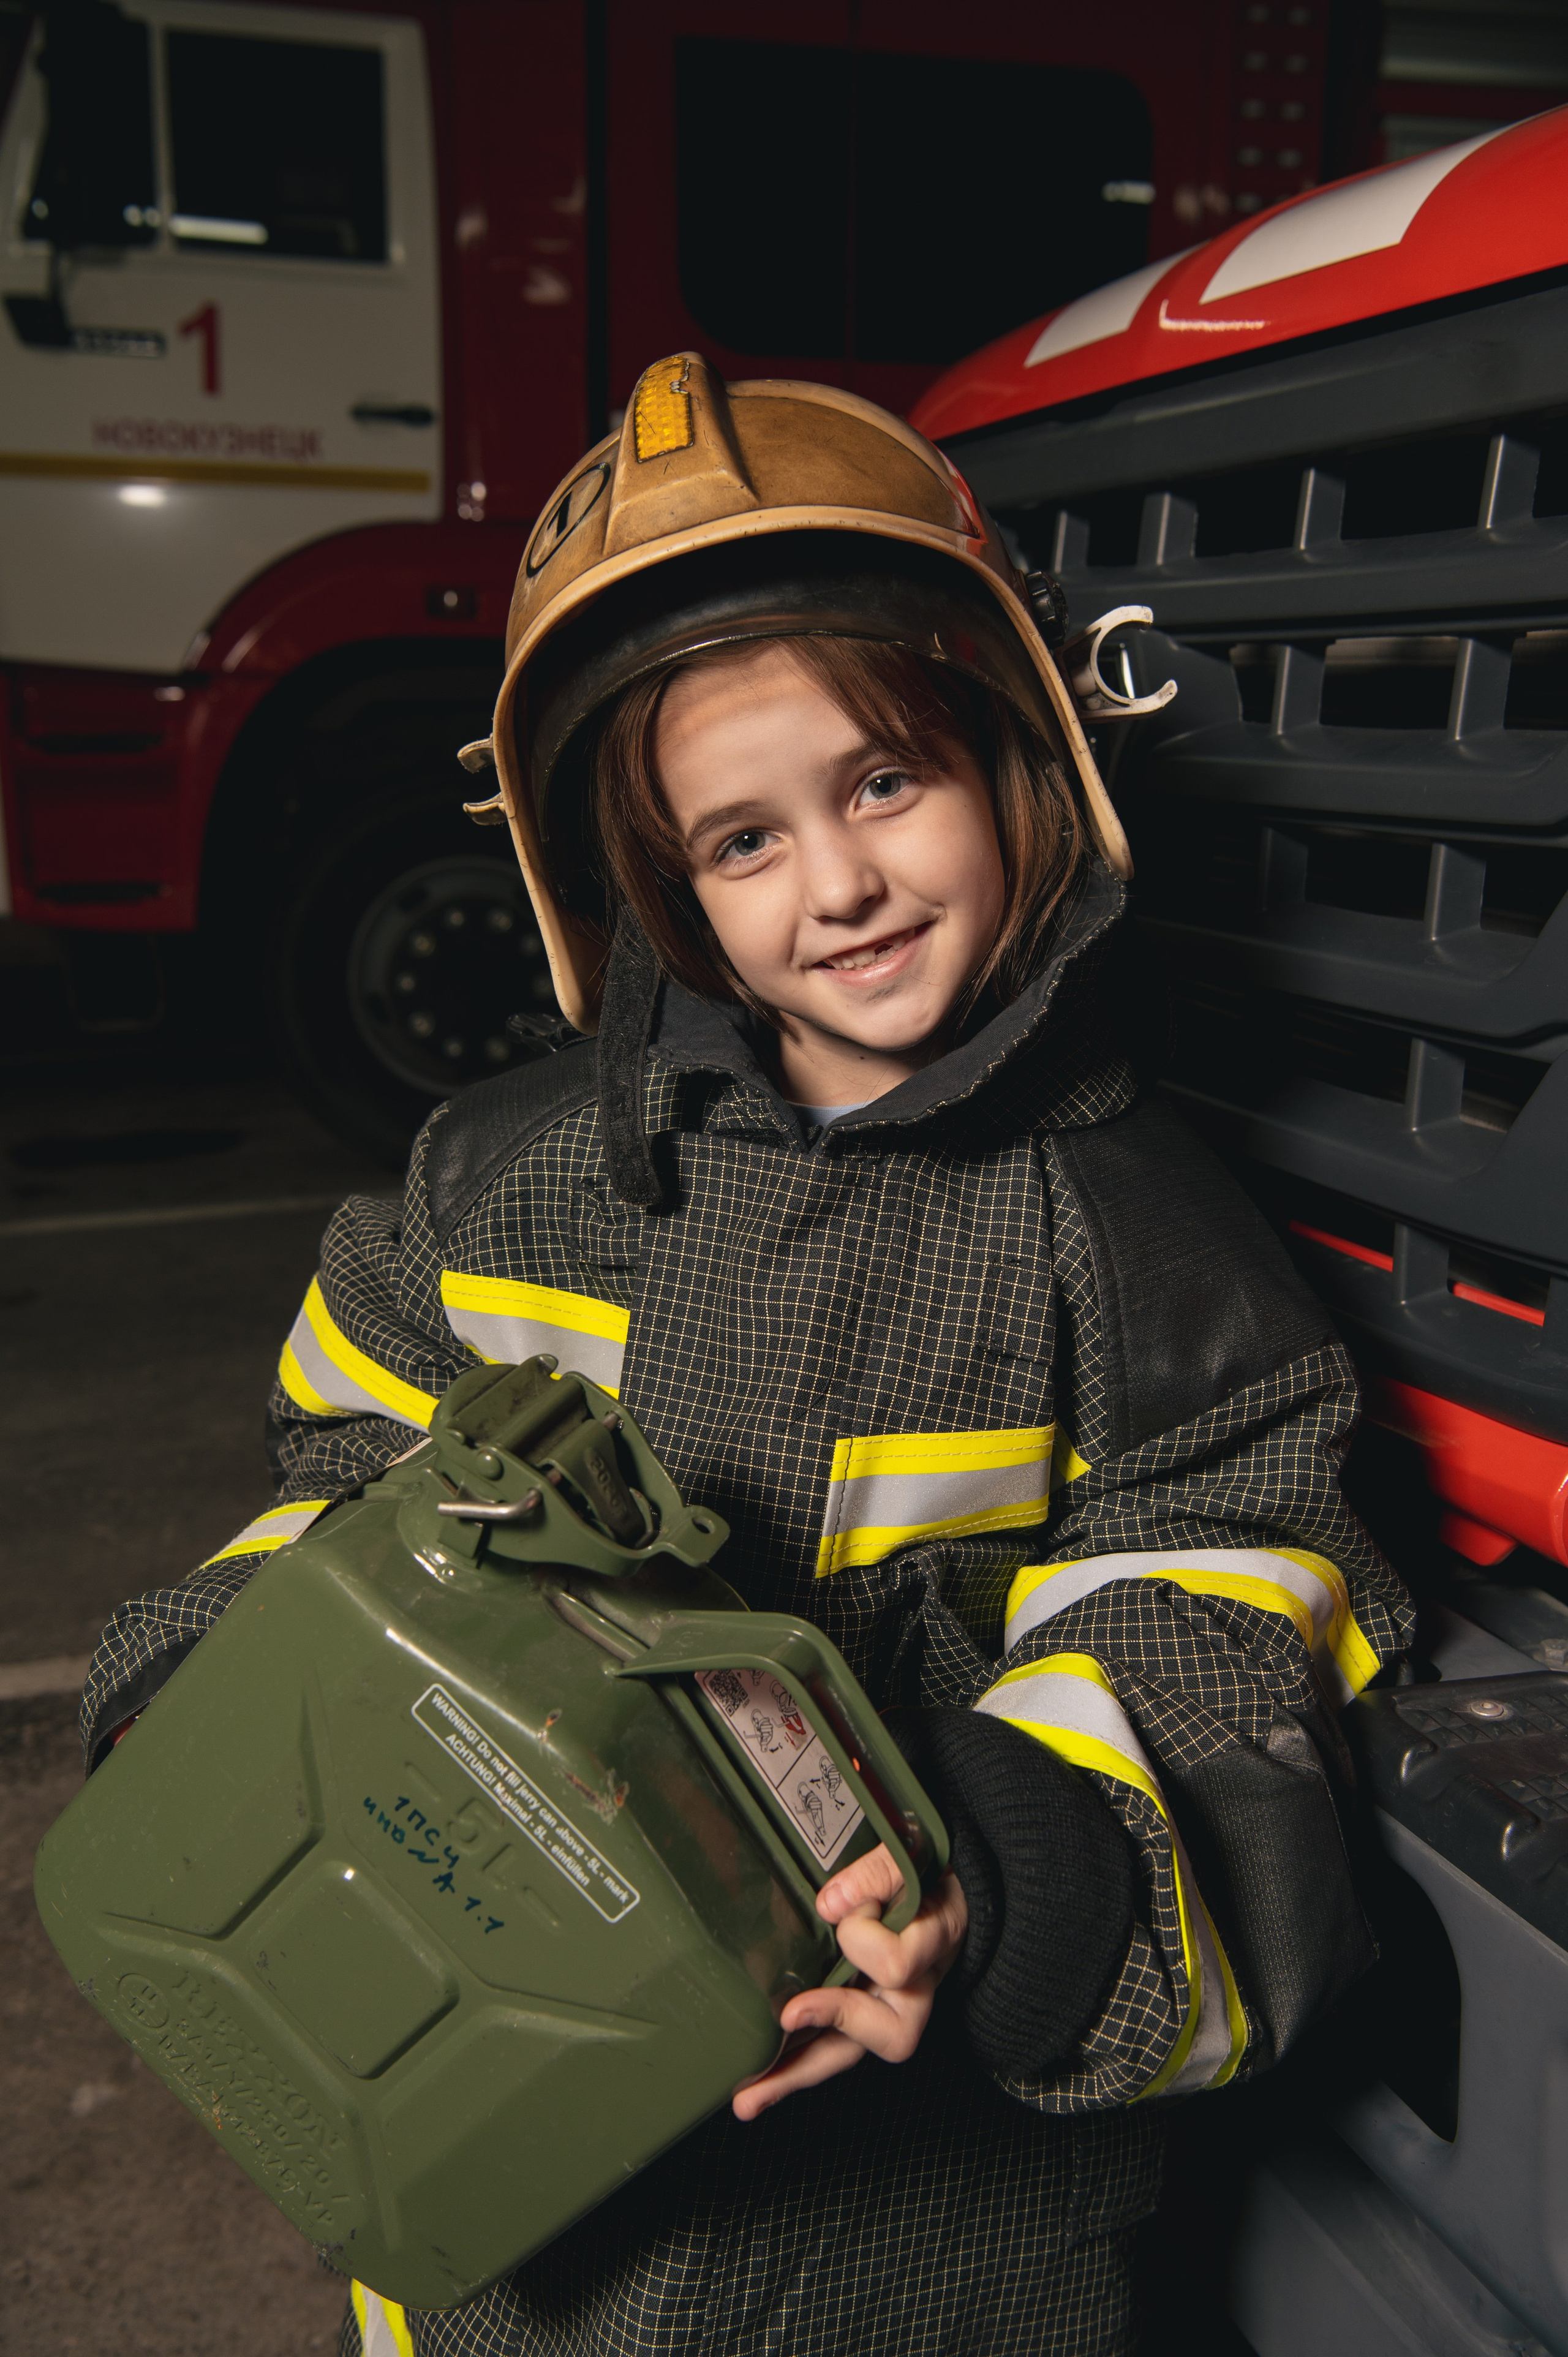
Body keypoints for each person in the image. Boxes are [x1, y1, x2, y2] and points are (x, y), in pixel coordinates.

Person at [81, 355, 1412, 2357]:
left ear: (1019, 751)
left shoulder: (1135, 1239)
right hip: (512, 2204)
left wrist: (1019, 1876)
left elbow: (1223, 1604)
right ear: (652, 882)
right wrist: (221, 1673)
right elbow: (346, 1474)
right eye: (742, 841)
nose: (841, 885)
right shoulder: (500, 1183)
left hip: (920, 2243)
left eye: (886, 780)